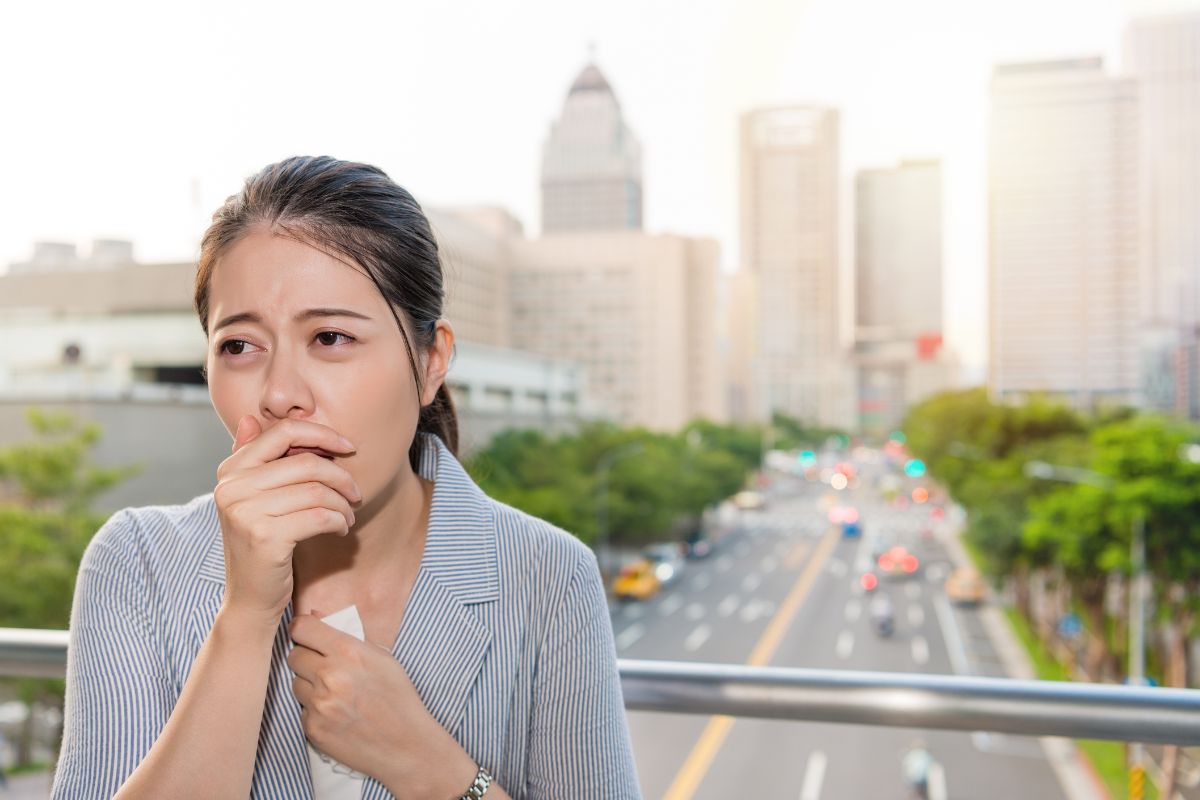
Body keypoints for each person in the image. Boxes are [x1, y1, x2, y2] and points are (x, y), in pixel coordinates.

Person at [51, 156, 642, 799]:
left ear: (430, 360)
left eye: (330, 337)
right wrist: (247, 620)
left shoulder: (546, 576)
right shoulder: (136, 562)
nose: (280, 395)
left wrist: (431, 767)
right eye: (239, 346)